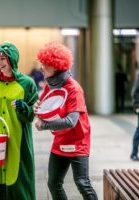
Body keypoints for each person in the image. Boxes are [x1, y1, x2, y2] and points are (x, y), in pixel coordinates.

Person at [34, 42, 98, 200]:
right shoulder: (51, 85)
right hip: (60, 141)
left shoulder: (74, 88)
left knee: (82, 183)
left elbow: (71, 121)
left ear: (56, 66)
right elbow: (45, 109)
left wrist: (44, 125)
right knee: (54, 183)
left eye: (45, 64)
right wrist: (38, 108)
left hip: (78, 141)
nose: (41, 67)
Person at [0, 42, 38, 200]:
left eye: (3, 58)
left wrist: (23, 108)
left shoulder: (27, 84)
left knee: (19, 178)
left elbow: (32, 113)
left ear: (12, 59)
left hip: (17, 141)